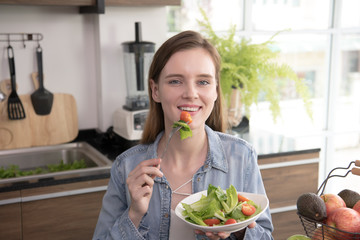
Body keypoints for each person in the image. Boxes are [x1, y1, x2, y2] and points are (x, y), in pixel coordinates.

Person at [93, 30, 274, 240]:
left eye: (203, 82)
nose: (190, 93)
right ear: (155, 90)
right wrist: (133, 214)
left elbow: (265, 236)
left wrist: (239, 227)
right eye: (175, 81)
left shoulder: (242, 157)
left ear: (216, 90)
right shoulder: (126, 167)